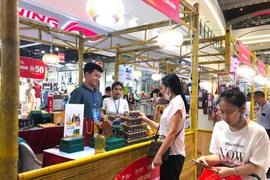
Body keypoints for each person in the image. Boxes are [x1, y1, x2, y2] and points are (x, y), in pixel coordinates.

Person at [197, 88, 269, 179]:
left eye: (230, 112)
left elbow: (255, 166)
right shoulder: (219, 127)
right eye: (222, 112)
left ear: (242, 108)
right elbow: (220, 156)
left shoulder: (258, 132)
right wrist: (206, 159)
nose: (225, 117)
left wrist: (233, 171)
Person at [139, 74, 189, 180]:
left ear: (169, 88)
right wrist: (146, 120)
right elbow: (163, 128)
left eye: (162, 88)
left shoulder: (177, 104)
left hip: (174, 154)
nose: (161, 91)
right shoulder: (173, 103)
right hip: (169, 153)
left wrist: (158, 154)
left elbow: (172, 133)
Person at [253, 90, 270, 178]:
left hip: (267, 132)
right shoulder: (260, 106)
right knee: (260, 151)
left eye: (255, 99)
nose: (254, 101)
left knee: (267, 152)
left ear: (259, 98)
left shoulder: (269, 107)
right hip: (259, 131)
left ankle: (268, 171)